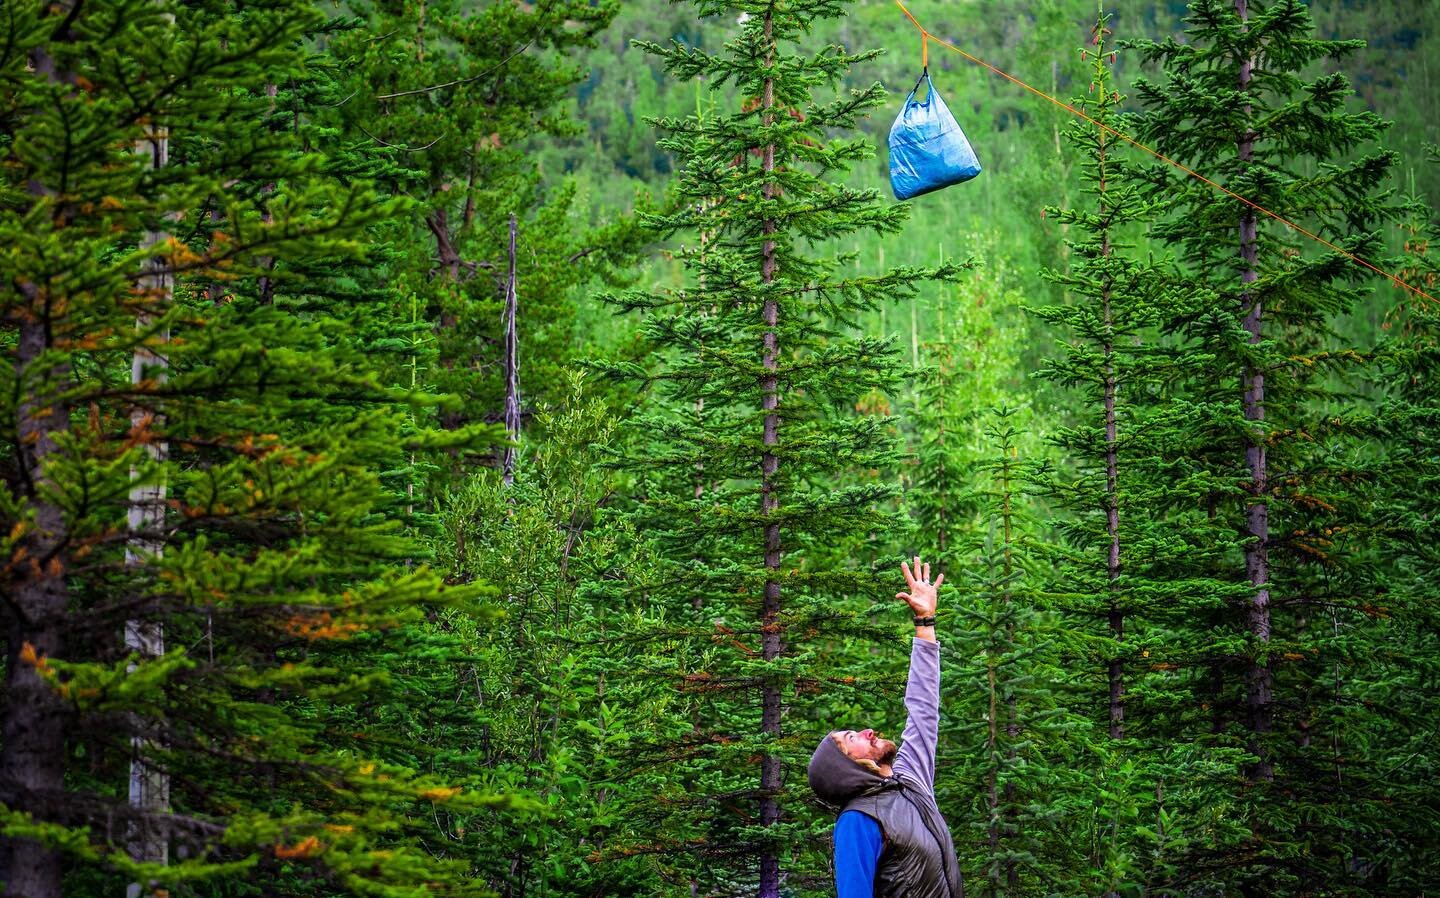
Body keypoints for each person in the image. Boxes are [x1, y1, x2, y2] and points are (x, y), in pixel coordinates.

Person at [807, 556, 964, 898]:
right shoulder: (858, 822)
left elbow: (923, 710)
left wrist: (925, 621)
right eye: (852, 738)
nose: (867, 731)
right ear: (846, 767)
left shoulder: (909, 781)